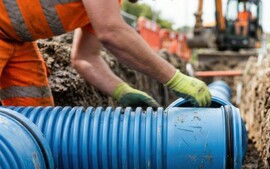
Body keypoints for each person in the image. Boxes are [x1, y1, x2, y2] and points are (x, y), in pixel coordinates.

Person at [0, 0, 211, 108]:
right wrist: (175, 79)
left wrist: (122, 90)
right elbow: (111, 32)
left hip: (16, 41)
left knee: (36, 124)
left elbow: (85, 57)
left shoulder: (108, 4)